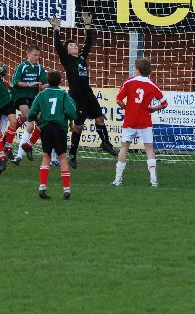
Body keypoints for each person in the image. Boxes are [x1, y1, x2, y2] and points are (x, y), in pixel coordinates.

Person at [48, 12, 118, 169]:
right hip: (77, 96)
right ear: (67, 50)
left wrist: (88, 27)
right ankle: (73, 155)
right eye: (71, 45)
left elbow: (88, 43)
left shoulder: (81, 58)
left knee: (99, 119)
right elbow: (58, 46)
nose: (75, 46)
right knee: (78, 126)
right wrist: (56, 30)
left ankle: (105, 143)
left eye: (75, 45)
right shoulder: (67, 59)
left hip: (88, 94)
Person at [113, 58, 168, 188]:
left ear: (137, 69)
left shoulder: (129, 82)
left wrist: (127, 108)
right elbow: (164, 104)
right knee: (149, 149)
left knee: (124, 147)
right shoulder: (152, 85)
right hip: (145, 120)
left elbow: (118, 100)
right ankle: (153, 181)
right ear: (149, 71)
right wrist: (153, 109)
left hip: (130, 120)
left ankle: (118, 180)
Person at [27, 71, 77, 200]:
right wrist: (70, 119)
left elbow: (31, 112)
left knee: (46, 156)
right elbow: (72, 111)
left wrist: (35, 117)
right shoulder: (64, 94)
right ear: (60, 81)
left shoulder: (41, 94)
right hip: (59, 128)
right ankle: (66, 190)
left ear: (48, 82)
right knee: (62, 157)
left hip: (46, 128)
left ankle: (42, 187)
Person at [11, 44, 47, 165]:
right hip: (20, 95)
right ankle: (12, 132)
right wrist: (29, 84)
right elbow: (16, 82)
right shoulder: (21, 67)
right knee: (28, 117)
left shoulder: (39, 68)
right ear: (28, 54)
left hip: (33, 98)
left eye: (38, 55)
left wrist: (43, 86)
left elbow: (45, 82)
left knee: (39, 124)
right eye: (35, 55)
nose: (37, 57)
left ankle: (20, 155)